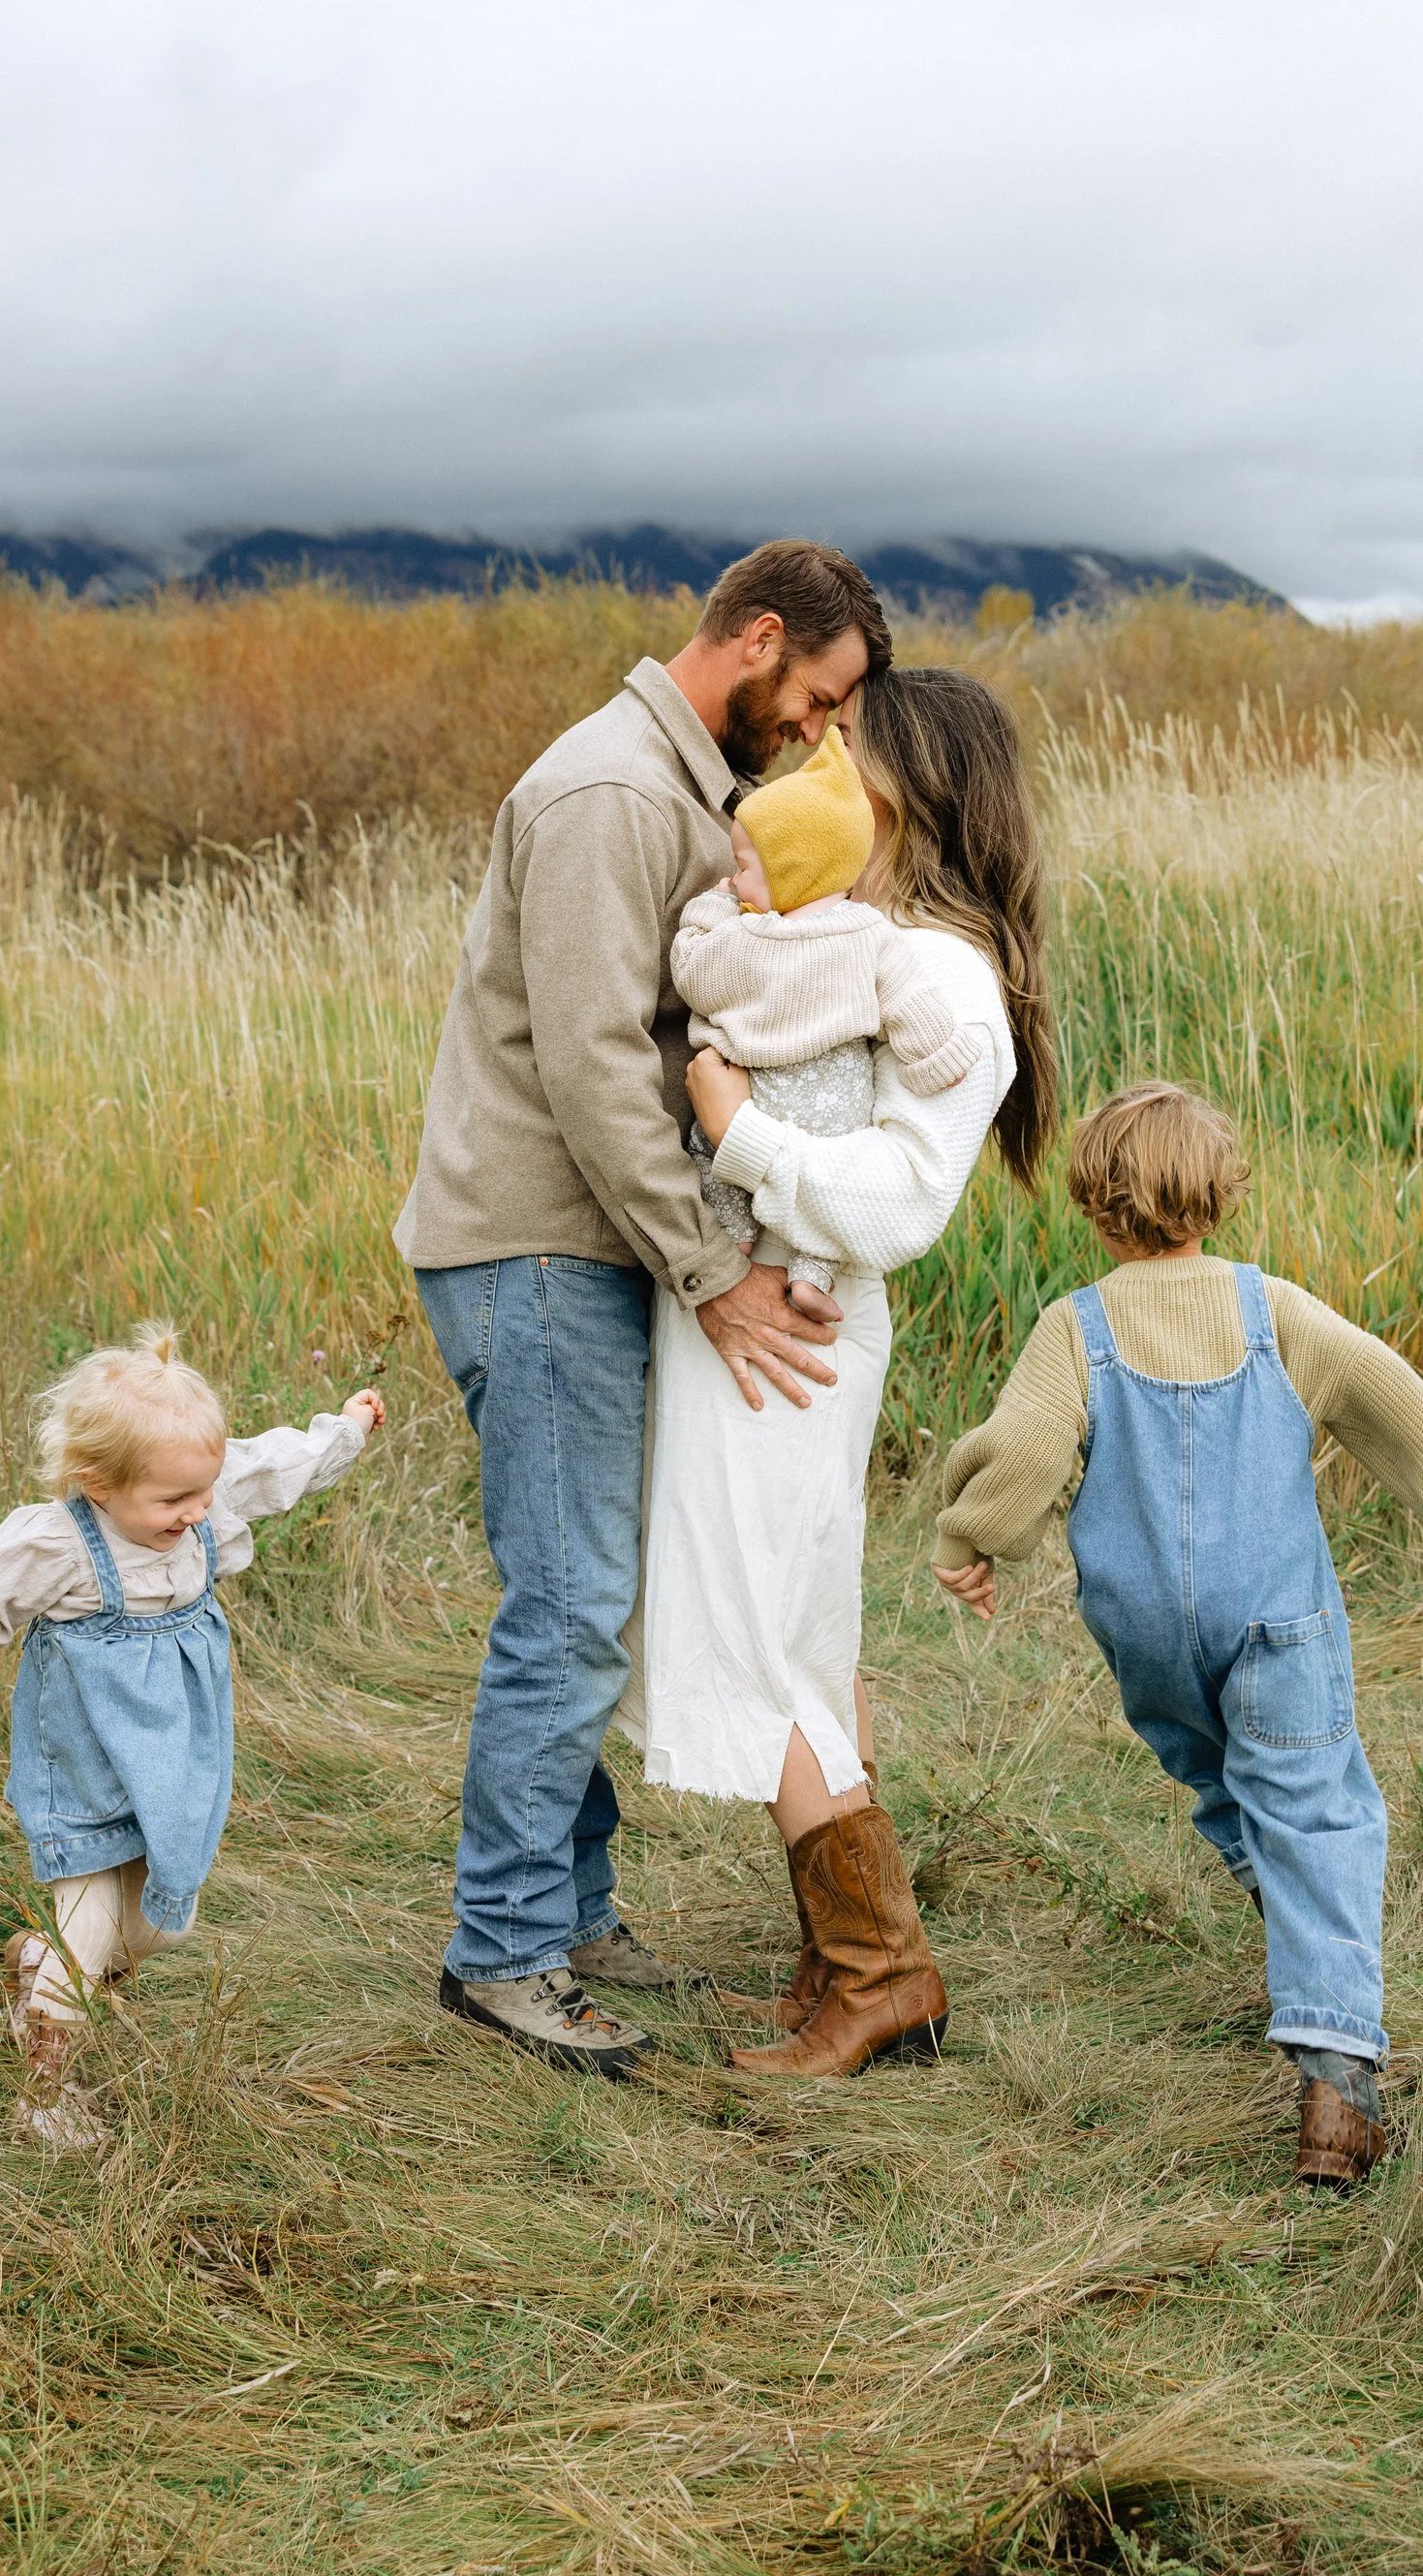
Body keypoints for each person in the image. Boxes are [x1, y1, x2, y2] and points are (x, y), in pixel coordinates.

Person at [394, 541, 892, 2074]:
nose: (818, 733)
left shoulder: (675, 789)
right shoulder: (613, 793)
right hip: (540, 1253)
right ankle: (502, 1954)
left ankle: (568, 1907)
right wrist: (718, 1270)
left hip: (582, 1252)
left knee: (588, 1594)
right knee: (566, 1605)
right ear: (754, 642)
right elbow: (600, 1065)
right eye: (816, 699)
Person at [932, 1083, 1423, 2187]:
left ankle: (1298, 1928)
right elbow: (1390, 1396)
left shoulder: (1077, 1326)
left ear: (1095, 1208)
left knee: (1222, 1781)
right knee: (1316, 1808)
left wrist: (973, 1537)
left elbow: (1019, 1450)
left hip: (1144, 1632)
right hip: (1276, 1622)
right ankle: (1338, 2089)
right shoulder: (1275, 1312)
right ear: (1219, 1196)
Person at [636, 665, 1056, 2080]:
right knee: (797, 1635)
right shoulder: (852, 936)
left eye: (841, 745)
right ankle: (848, 1964)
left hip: (796, 1337)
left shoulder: (936, 972)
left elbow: (896, 1205)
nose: (812, 758)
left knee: (763, 1637)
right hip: (780, 1329)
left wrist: (737, 1131)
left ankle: (885, 1973)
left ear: (909, 789)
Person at [0, 1324, 384, 2145]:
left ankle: (46, 1967)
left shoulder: (199, 1490)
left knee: (168, 1924)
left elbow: (274, 1467)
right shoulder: (58, 1540)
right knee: (93, 1928)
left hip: (173, 1756)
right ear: (97, 1484)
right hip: (89, 1762)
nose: (197, 1512)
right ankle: (45, 2096)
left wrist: (342, 1429)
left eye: (201, 1493)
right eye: (173, 1502)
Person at [673, 716, 989, 1308]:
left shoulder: (750, 939)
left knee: (708, 1156)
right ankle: (812, 1275)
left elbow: (695, 969)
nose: (733, 877)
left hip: (756, 1098)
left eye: (743, 866)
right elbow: (908, 1000)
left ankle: (734, 1238)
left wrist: (712, 908)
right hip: (836, 1100)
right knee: (821, 1180)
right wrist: (937, 1055)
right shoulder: (869, 932)